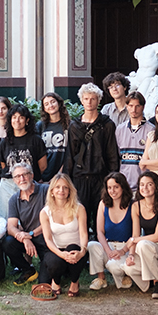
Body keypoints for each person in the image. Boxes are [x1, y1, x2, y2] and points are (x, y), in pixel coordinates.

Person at [65, 83, 121, 224]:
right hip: (80, 177)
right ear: (81, 101)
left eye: (93, 99)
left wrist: (112, 178)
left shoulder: (107, 124)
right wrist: (67, 180)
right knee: (79, 219)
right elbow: (70, 155)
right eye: (86, 99)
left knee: (100, 219)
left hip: (100, 177)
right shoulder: (74, 126)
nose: (89, 102)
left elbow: (112, 153)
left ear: (99, 100)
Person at [123, 172, 158, 297]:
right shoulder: (136, 206)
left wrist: (134, 240)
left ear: (156, 186)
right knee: (128, 268)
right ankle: (149, 283)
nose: (145, 188)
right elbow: (135, 233)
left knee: (143, 244)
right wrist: (132, 255)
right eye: (142, 185)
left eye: (149, 184)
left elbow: (157, 236)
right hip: (147, 250)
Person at [39, 173, 89, 298]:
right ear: (52, 191)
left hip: (76, 248)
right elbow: (48, 240)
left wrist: (82, 251)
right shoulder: (45, 212)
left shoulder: (79, 208)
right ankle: (56, 281)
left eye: (65, 187)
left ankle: (74, 282)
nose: (61, 190)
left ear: (69, 191)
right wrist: (61, 254)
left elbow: (83, 233)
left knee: (73, 248)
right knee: (51, 266)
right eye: (57, 187)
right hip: (56, 249)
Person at [3, 163, 49, 285]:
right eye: (17, 176)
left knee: (45, 282)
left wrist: (31, 234)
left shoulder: (45, 190)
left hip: (47, 240)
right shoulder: (14, 199)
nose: (21, 179)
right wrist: (24, 238)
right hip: (29, 238)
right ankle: (28, 269)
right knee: (8, 242)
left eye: (25, 175)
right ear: (14, 180)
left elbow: (50, 220)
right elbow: (11, 227)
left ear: (32, 175)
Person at [87, 173, 134, 290]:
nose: (112, 191)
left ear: (123, 187)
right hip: (108, 245)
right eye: (109, 188)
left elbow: (135, 235)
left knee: (113, 266)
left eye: (116, 187)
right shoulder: (103, 204)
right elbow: (100, 231)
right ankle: (101, 278)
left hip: (125, 247)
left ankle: (125, 275)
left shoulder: (133, 205)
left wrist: (123, 251)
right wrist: (108, 251)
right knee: (92, 245)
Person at [0, 104, 48, 214]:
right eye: (14, 117)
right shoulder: (4, 142)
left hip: (30, 184)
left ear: (27, 120)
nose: (17, 120)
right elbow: (4, 165)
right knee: (6, 218)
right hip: (8, 185)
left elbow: (43, 166)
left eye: (21, 117)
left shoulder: (36, 140)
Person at [116, 92, 154, 191]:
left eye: (137, 106)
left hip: (143, 186)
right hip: (124, 185)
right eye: (131, 106)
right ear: (126, 106)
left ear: (143, 107)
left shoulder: (151, 130)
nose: (134, 110)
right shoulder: (120, 129)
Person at [37, 92, 70, 183]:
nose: (50, 105)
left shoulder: (69, 125)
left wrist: (60, 174)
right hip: (43, 177)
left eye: (53, 102)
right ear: (44, 108)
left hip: (64, 175)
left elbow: (71, 153)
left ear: (59, 103)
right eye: (46, 104)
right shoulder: (40, 126)